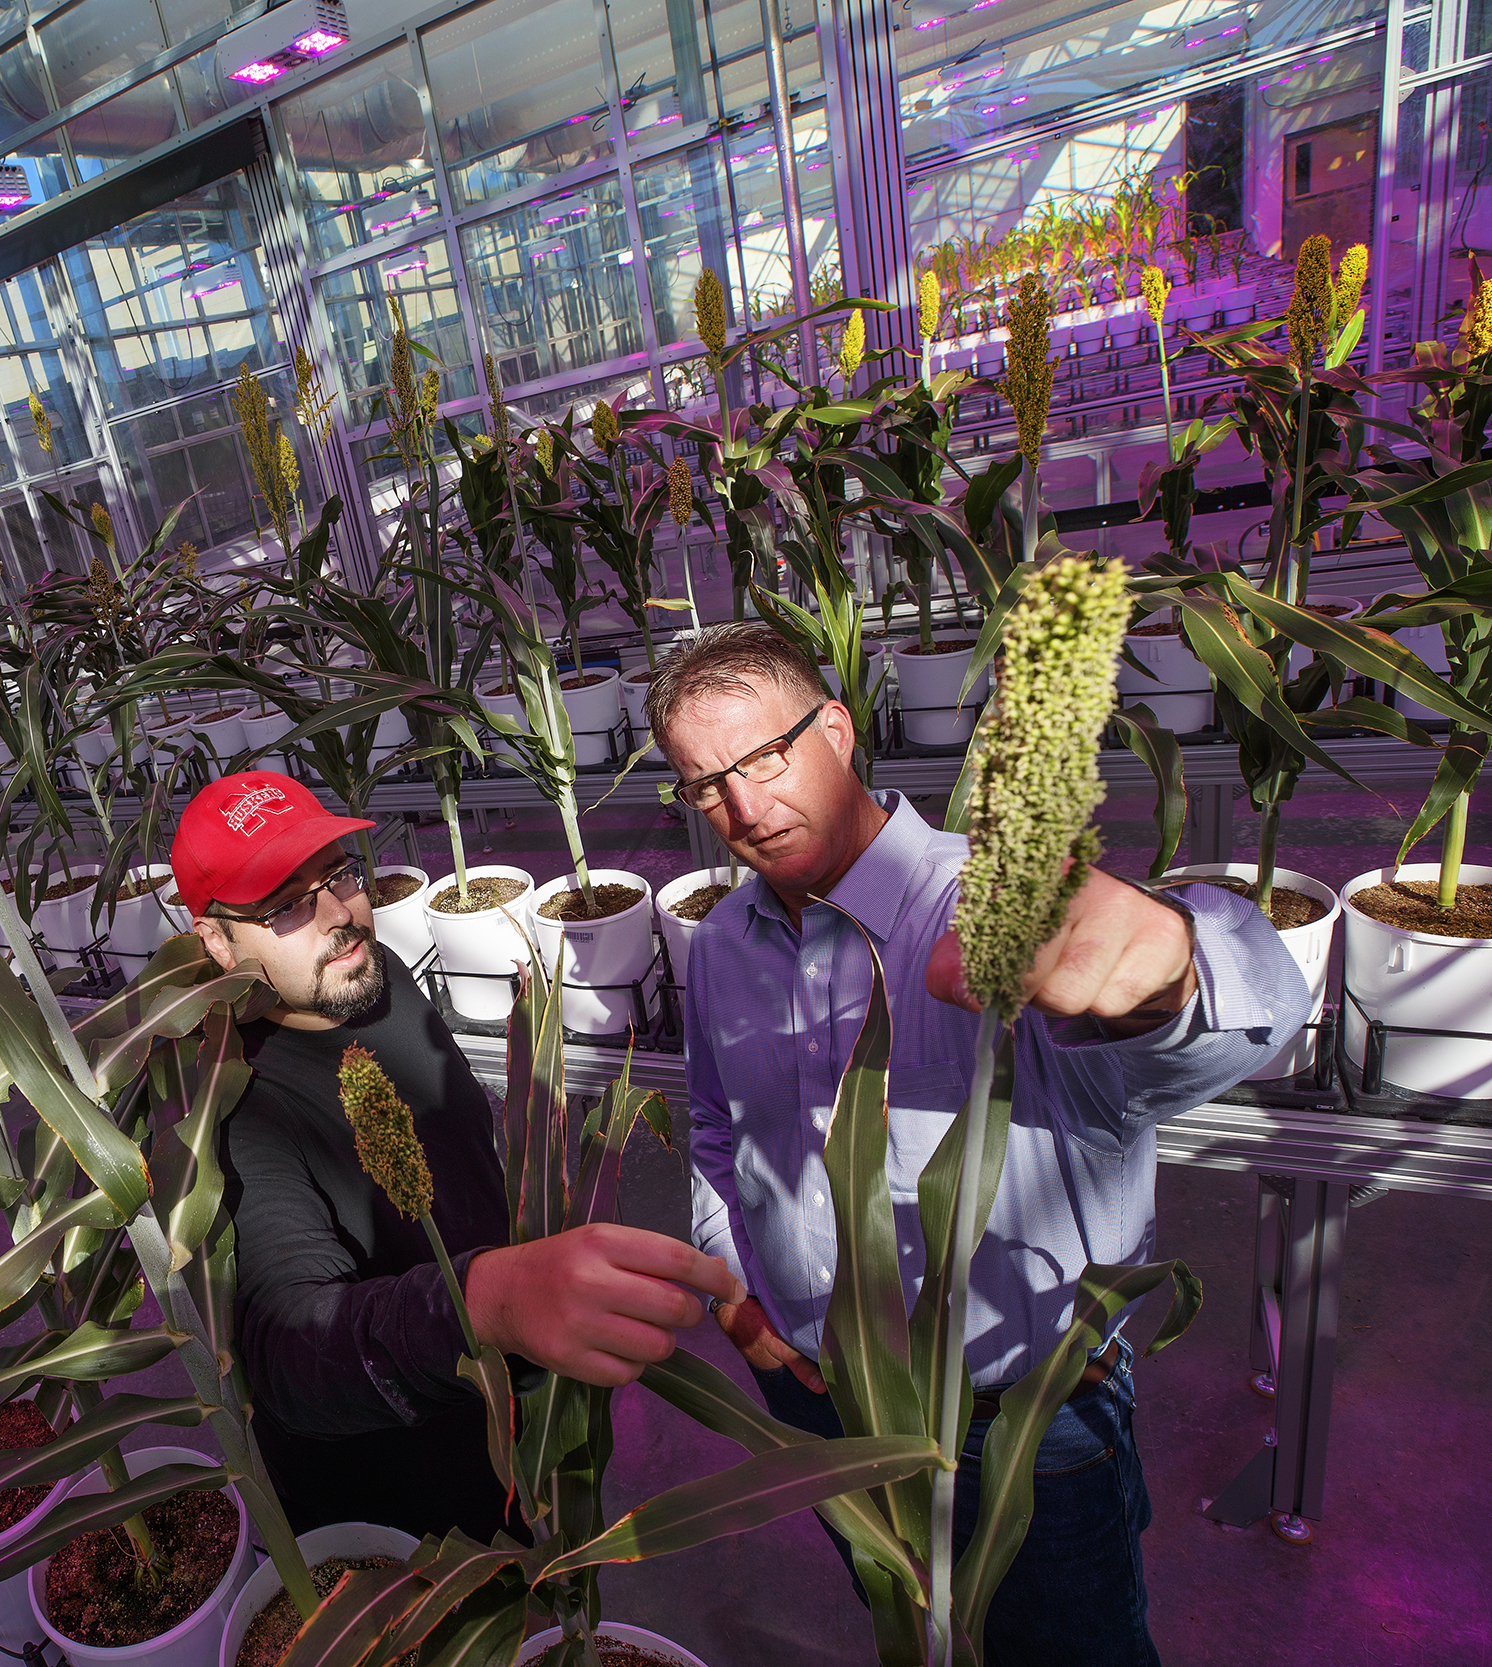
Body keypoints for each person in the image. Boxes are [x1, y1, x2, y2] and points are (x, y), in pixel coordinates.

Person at [647, 623, 1300, 1667]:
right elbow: (720, 1126)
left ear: (836, 728)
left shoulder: (987, 908)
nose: (742, 808)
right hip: (819, 1392)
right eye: (704, 783)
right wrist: (735, 1293)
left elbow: (1214, 1036)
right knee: (911, 1631)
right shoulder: (723, 943)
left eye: (762, 755)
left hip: (1020, 1424)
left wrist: (1167, 976)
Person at [175, 769, 743, 1542]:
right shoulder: (232, 1109)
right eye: (286, 905)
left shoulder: (372, 981)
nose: (340, 913)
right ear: (215, 939)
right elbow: (290, 1347)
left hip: (498, 1439)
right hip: (405, 1525)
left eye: (340, 872)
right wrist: (487, 1299)